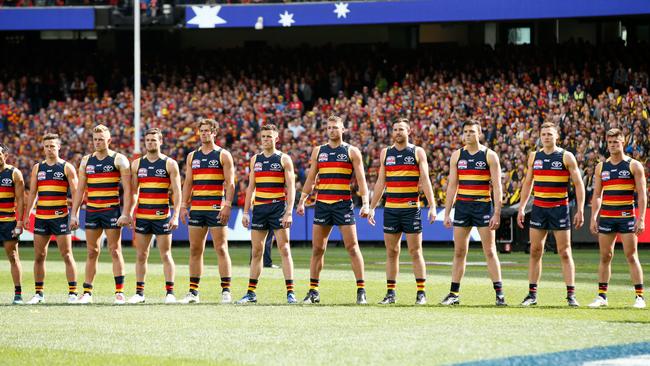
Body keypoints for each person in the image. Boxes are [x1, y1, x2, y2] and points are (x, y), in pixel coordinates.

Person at [296, 115, 370, 304]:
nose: (332, 130)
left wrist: (366, 203)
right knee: (317, 249)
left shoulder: (352, 151)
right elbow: (311, 178)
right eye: (329, 127)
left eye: (335, 127)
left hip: (343, 204)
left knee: (352, 248)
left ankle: (361, 290)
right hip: (322, 204)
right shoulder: (318, 151)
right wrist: (302, 200)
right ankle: (313, 291)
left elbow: (361, 180)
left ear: (343, 130)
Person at [367, 119, 437, 305]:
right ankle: (390, 294)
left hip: (411, 209)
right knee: (391, 252)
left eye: (401, 129)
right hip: (390, 209)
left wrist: (432, 206)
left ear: (409, 131)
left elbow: (425, 180)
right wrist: (372, 207)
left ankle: (421, 293)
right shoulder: (386, 153)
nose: (398, 132)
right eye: (395, 129)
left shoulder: (417, 152)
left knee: (415, 251)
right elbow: (381, 182)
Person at [517, 122, 585, 307]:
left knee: (564, 251)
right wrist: (522, 207)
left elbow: (578, 184)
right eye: (543, 134)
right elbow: (528, 183)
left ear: (556, 137)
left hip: (559, 209)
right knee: (535, 251)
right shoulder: (534, 156)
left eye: (549, 134)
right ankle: (532, 295)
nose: (546, 137)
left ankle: (571, 295)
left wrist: (580, 209)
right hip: (538, 208)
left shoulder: (566, 156)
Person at [441, 120, 507, 306]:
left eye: (472, 131)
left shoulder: (489, 155)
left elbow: (497, 186)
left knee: (490, 251)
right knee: (460, 251)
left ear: (479, 134)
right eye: (465, 132)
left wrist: (497, 212)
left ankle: (499, 294)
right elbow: (452, 185)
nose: (468, 134)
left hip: (482, 206)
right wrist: (447, 213)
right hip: (462, 207)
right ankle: (454, 294)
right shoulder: (457, 155)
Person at [70, 125, 133, 304]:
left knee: (115, 250)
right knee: (92, 251)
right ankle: (87, 293)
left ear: (109, 140)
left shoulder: (119, 159)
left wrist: (126, 213)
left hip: (111, 210)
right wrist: (73, 214)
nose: (97, 142)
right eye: (95, 139)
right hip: (91, 211)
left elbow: (128, 190)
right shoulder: (86, 161)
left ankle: (119, 292)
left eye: (101, 139)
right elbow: (80, 190)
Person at [236, 124, 296, 304]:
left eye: (269, 137)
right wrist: (246, 212)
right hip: (260, 209)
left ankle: (290, 293)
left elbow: (291, 187)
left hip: (278, 207)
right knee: (256, 251)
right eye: (263, 137)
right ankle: (251, 293)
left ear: (276, 138)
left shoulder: (284, 159)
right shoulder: (255, 159)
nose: (265, 140)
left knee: (284, 249)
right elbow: (250, 187)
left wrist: (289, 212)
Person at [588, 128, 646, 309]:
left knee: (631, 255)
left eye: (616, 142)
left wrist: (641, 218)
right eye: (610, 142)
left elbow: (643, 195)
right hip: (606, 217)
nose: (613, 145)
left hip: (626, 217)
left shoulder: (634, 165)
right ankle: (602, 296)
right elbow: (597, 194)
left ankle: (639, 297)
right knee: (605, 256)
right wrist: (593, 217)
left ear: (623, 143)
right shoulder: (601, 167)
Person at [179, 119, 235, 304]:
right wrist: (183, 205)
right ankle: (193, 292)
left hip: (215, 208)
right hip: (196, 208)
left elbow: (230, 183)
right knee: (195, 250)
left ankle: (226, 290)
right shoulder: (192, 156)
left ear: (214, 133)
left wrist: (227, 205)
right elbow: (188, 183)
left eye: (207, 131)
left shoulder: (223, 155)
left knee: (221, 248)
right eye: (201, 130)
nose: (204, 133)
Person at [24, 133, 79, 304]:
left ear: (59, 147)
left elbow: (77, 192)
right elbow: (33, 193)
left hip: (60, 217)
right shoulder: (37, 168)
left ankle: (72, 293)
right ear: (43, 147)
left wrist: (74, 215)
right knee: (39, 256)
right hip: (41, 217)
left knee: (67, 254)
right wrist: (27, 215)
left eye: (52, 146)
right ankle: (39, 294)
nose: (49, 149)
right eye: (47, 146)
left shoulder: (66, 167)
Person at [128, 128, 181, 304]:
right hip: (143, 215)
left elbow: (177, 192)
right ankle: (139, 293)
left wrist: (175, 216)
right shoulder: (137, 164)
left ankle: (170, 293)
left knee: (166, 254)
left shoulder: (169, 164)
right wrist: (129, 213)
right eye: (148, 140)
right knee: (141, 255)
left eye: (154, 140)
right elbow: (133, 193)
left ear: (161, 141)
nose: (150, 143)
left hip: (162, 216)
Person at [0, 144, 26, 304]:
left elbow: (21, 200)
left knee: (13, 256)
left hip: (8, 221)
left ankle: (18, 294)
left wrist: (19, 222)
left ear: (5, 155)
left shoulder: (14, 173)